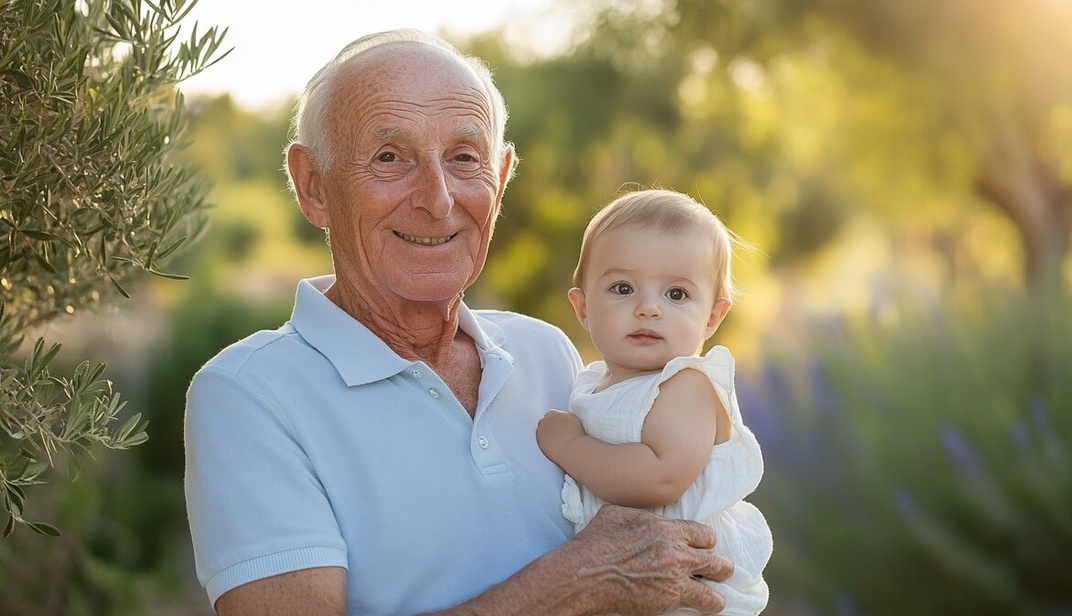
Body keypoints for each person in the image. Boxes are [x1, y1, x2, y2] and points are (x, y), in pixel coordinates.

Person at [183, 29, 735, 616]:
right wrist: (574, 586)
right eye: (390, 158)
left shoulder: (546, 352)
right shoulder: (249, 397)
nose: (439, 199)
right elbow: (599, 569)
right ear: (313, 186)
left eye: (464, 158)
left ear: (499, 178)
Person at [536, 189, 772, 616]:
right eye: (623, 288)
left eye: (676, 295)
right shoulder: (592, 384)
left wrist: (568, 447)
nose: (648, 308)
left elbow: (660, 479)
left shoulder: (687, 386)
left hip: (689, 594)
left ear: (713, 317)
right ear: (583, 307)